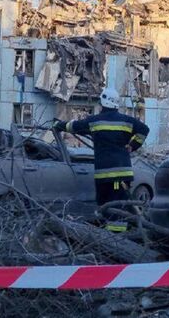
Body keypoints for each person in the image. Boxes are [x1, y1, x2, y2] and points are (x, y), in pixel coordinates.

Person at [53, 87, 149, 232]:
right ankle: (114, 236)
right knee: (117, 207)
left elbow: (73, 127)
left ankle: (114, 238)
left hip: (103, 175)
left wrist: (58, 125)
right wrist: (133, 146)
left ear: (103, 102)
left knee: (106, 206)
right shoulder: (127, 121)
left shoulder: (94, 121)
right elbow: (144, 130)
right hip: (122, 175)